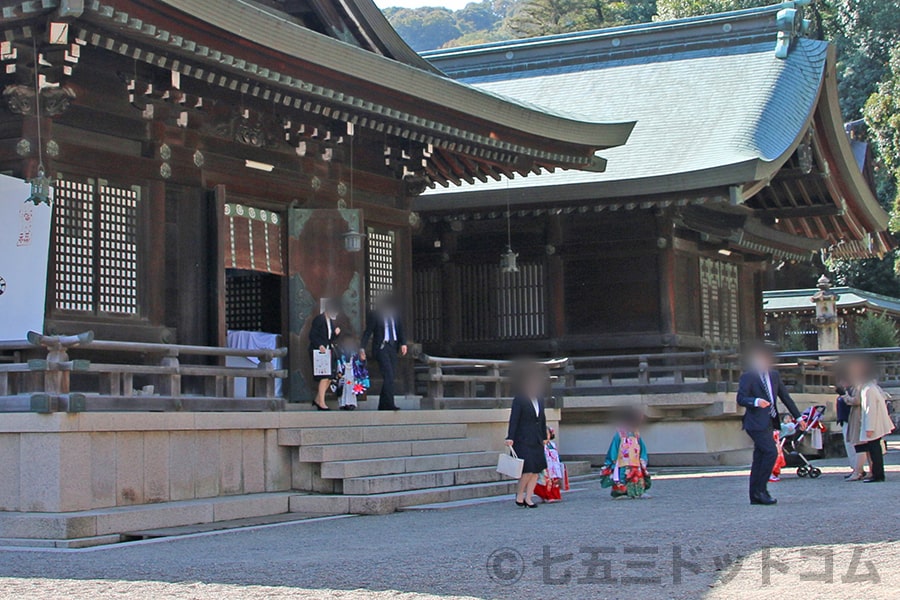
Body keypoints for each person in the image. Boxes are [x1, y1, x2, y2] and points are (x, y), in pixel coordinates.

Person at [736, 343, 802, 506]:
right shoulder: (748, 376)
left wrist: (799, 418)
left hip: (770, 421)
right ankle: (762, 490)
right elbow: (741, 398)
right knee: (770, 452)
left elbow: (785, 397)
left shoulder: (773, 376)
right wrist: (756, 401)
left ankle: (755, 494)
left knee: (760, 457)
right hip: (755, 422)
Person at [505, 365, 548, 508]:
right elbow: (514, 419)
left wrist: (544, 435)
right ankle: (519, 495)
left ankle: (529, 498)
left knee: (536, 470)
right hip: (522, 438)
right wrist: (510, 436)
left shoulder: (540, 399)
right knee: (528, 469)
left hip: (536, 438)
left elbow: (542, 419)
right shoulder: (520, 399)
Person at [361, 294, 407, 411]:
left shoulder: (396, 316)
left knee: (390, 375)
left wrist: (403, 343)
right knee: (389, 375)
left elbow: (400, 330)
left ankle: (383, 404)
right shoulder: (376, 315)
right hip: (381, 347)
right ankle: (390, 403)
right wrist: (362, 347)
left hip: (393, 347)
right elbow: (368, 332)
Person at [855, 360, 894, 483]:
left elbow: (869, 410)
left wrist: (869, 428)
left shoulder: (868, 390)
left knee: (874, 450)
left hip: (874, 424)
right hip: (876, 423)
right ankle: (877, 474)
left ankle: (877, 475)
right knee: (875, 449)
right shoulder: (871, 387)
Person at [600, 407, 651, 499]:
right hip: (622, 462)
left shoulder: (636, 434)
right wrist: (613, 460)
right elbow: (614, 447)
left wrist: (642, 459)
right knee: (622, 476)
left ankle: (638, 492)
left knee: (637, 476)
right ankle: (621, 492)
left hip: (635, 461)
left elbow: (642, 448)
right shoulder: (620, 434)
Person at [308, 298, 341, 411]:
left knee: (330, 377)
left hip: (327, 351)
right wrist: (319, 345)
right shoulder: (319, 319)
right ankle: (321, 402)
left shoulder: (330, 321)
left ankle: (318, 399)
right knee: (324, 376)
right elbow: (312, 335)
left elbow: (330, 339)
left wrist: (336, 334)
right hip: (319, 351)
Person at [332, 334, 369, 411]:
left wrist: (362, 360)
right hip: (344, 374)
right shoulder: (340, 353)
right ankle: (343, 403)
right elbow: (338, 363)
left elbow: (360, 364)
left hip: (352, 375)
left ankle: (351, 403)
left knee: (351, 389)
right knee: (344, 389)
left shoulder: (355, 355)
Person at [835, 379, 861, 479]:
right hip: (844, 421)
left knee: (852, 446)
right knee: (849, 447)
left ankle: (857, 469)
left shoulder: (852, 392)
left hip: (850, 421)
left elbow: (852, 403)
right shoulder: (846, 392)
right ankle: (854, 468)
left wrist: (844, 396)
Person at [535, 427, 565, 503]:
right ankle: (546, 496)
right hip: (544, 465)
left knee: (554, 482)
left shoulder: (553, 445)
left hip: (554, 465)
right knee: (544, 482)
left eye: (547, 434)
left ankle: (554, 496)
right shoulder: (538, 445)